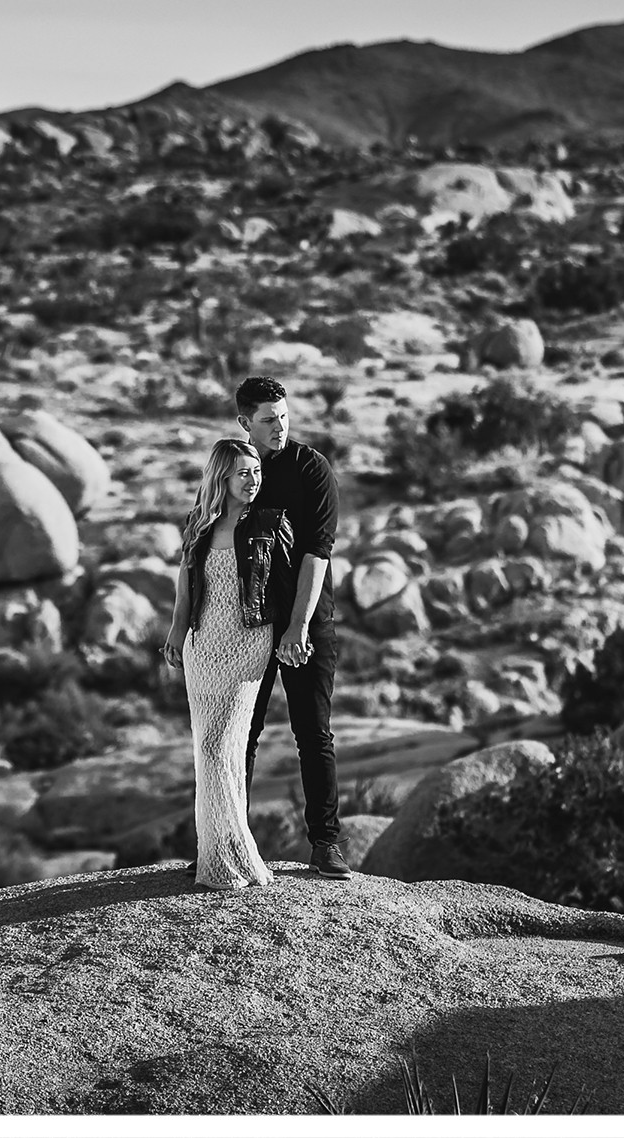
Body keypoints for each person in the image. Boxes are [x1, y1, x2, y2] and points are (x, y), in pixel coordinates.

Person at [159, 436, 292, 891]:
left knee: (222, 744)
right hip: (203, 642)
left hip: (249, 641)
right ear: (222, 477)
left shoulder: (271, 523)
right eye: (243, 473)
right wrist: (178, 630)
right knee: (211, 749)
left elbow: (288, 586)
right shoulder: (199, 523)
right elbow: (186, 584)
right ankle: (217, 853)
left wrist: (298, 631)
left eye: (256, 471)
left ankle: (238, 854)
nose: (253, 480)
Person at [232, 376, 349, 879]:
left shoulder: (311, 468)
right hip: (248, 621)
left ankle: (325, 844)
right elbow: (209, 541)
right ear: (244, 423)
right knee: (242, 733)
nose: (279, 428)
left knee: (312, 732)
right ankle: (227, 840)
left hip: (308, 620)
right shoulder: (236, 470)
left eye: (284, 417)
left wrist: (297, 628)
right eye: (267, 420)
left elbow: (316, 551)